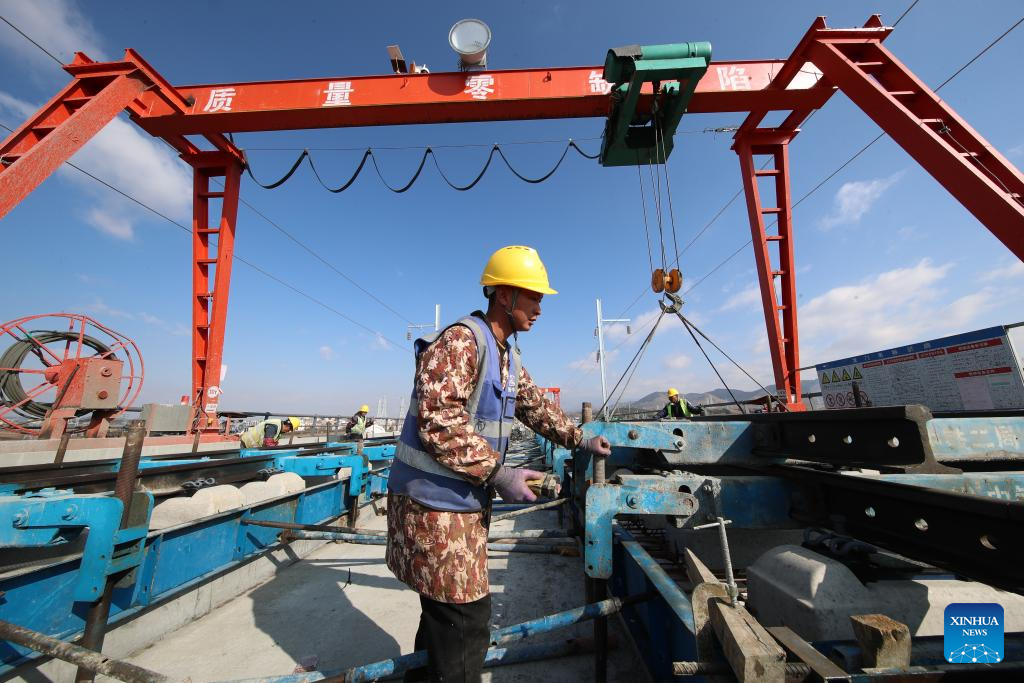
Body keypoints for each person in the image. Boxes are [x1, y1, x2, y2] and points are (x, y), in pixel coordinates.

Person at [386, 245, 612, 682]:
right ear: (505, 296)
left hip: (458, 508)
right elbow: (439, 423)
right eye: (534, 297)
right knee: (465, 622)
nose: (541, 309)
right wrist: (500, 473)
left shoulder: (506, 354)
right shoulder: (461, 340)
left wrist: (582, 439)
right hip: (433, 510)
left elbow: (534, 406)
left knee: (443, 617)